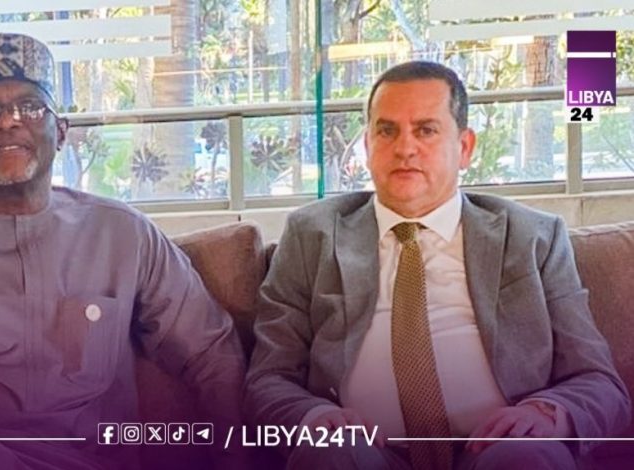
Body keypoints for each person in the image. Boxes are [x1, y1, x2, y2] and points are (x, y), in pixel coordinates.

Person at [0, 33, 246, 469]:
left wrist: (236, 458)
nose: (7, 122)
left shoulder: (123, 235)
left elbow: (211, 354)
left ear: (60, 131)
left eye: (29, 107)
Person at [244, 61, 631, 470]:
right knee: (330, 454)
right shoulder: (313, 235)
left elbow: (598, 381)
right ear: (368, 145)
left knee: (527, 458)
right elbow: (268, 378)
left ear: (464, 147)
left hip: (498, 452)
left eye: (426, 130)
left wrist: (545, 413)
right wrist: (315, 417)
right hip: (365, 453)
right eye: (387, 131)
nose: (404, 148)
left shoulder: (532, 237)